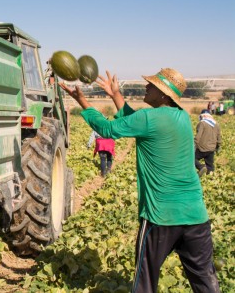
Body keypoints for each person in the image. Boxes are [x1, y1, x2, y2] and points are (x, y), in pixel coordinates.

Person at [59, 68, 219, 293]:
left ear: (163, 95)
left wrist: (82, 101)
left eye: (151, 85)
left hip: (161, 216)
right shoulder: (181, 116)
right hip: (195, 215)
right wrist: (115, 95)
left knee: (145, 282)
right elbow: (138, 121)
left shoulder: (148, 117)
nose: (146, 87)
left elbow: (106, 129)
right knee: (205, 281)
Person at [195, 109, 222, 176]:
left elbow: (198, 136)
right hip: (211, 149)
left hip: (202, 148)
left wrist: (194, 145)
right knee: (210, 165)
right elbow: (219, 137)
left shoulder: (202, 123)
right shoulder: (216, 124)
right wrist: (219, 146)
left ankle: (201, 167)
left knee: (190, 158)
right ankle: (211, 177)